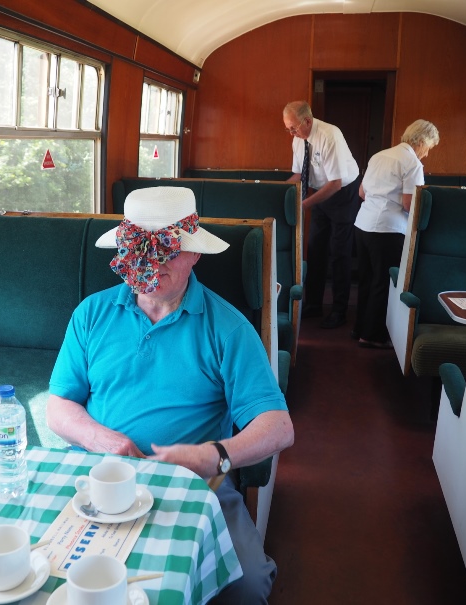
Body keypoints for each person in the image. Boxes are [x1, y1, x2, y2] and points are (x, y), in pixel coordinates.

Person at [46, 186, 294, 604]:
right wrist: (102, 440)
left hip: (196, 484)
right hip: (98, 477)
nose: (150, 263)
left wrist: (216, 455)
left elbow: (279, 427)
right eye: (139, 251)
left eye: (165, 251)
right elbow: (58, 406)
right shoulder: (90, 314)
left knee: (248, 585)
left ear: (194, 253)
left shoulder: (228, 327)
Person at [353, 119, 440, 348]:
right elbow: (409, 204)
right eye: (429, 147)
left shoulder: (379, 155)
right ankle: (371, 335)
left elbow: (362, 193)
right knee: (383, 282)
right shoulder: (412, 163)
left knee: (366, 280)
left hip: (362, 225)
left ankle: (359, 328)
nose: (427, 154)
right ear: (421, 141)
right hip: (387, 230)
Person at [283, 100, 361, 329]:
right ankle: (314, 304)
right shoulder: (299, 139)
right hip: (319, 192)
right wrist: (277, 192)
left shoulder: (330, 135)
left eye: (293, 128)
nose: (291, 133)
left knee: (339, 252)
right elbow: (298, 175)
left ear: (307, 120)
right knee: (315, 248)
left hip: (342, 194)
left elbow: (335, 183)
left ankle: (339, 310)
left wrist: (303, 205)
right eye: (287, 128)